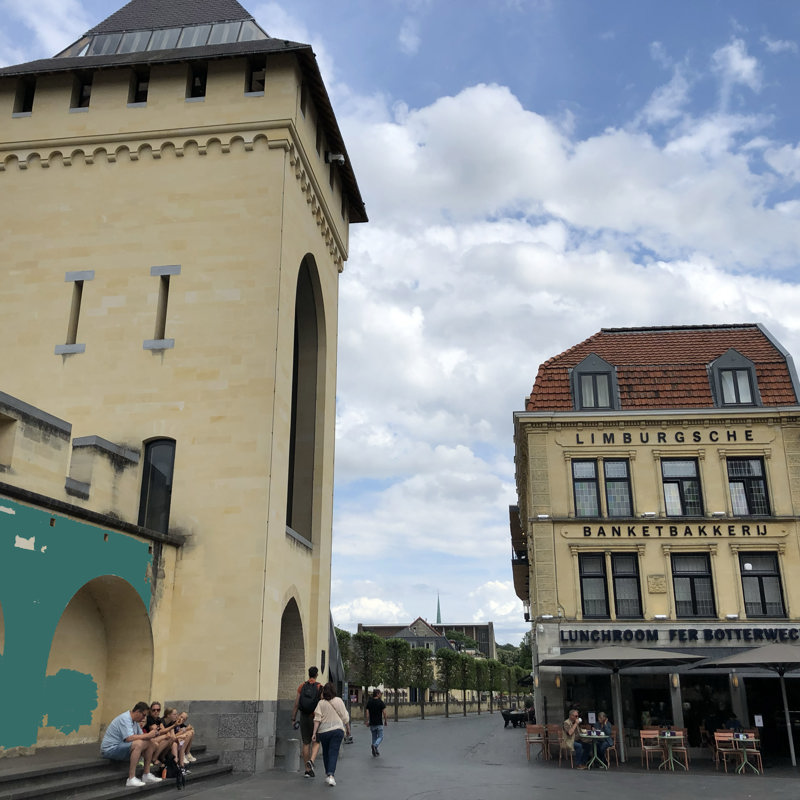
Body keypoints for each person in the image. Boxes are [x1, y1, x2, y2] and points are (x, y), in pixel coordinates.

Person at [100, 701, 163, 788]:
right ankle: (131, 778)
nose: (144, 718)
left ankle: (146, 774)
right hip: (109, 750)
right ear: (137, 712)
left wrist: (153, 735)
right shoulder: (125, 718)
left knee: (150, 743)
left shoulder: (135, 721)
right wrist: (148, 735)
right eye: (143, 715)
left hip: (120, 747)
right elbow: (129, 738)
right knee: (138, 744)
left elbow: (143, 736)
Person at [312, 682, 351, 786]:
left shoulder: (321, 703)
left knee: (326, 752)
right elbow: (345, 717)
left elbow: (317, 719)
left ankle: (327, 774)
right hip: (337, 730)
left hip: (323, 732)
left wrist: (314, 733)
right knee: (333, 752)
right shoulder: (339, 701)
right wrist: (348, 729)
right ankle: (331, 775)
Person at [292, 666, 323, 777]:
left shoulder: (302, 686)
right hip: (315, 718)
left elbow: (296, 704)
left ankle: (307, 770)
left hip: (304, 716)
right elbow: (322, 704)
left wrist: (293, 718)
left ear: (308, 674)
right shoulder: (320, 687)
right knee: (316, 741)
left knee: (306, 743)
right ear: (316, 675)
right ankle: (311, 761)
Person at [365, 688, 388, 756]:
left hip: (372, 723)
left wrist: (367, 721)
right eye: (380, 693)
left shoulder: (369, 702)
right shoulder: (381, 702)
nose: (381, 695)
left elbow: (367, 712)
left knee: (374, 737)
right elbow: (384, 713)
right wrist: (386, 720)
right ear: (377, 694)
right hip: (379, 722)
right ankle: (375, 746)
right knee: (381, 736)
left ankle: (375, 750)